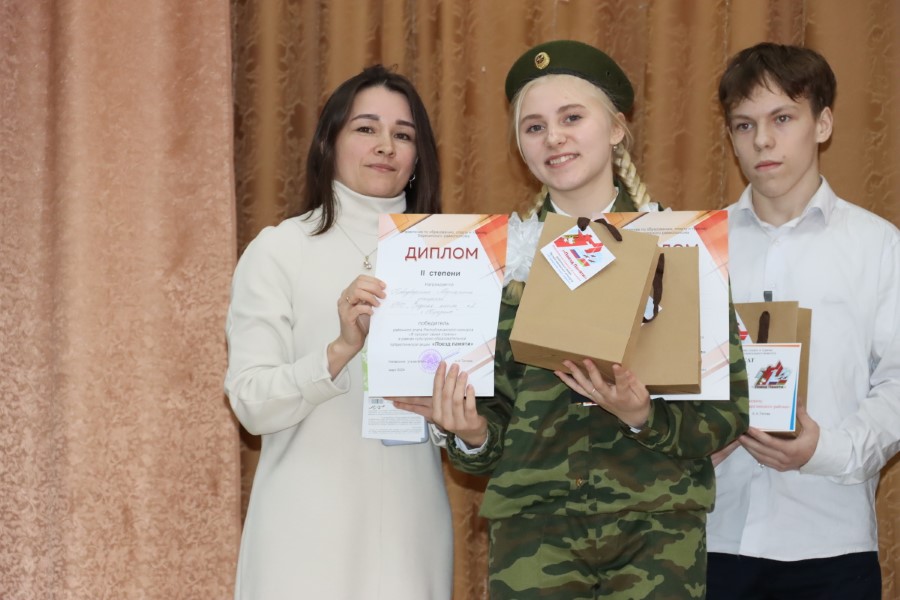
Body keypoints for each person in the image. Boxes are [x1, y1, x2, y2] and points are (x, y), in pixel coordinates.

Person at [427, 40, 749, 600]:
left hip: (657, 528)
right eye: (534, 127)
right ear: (521, 146)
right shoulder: (493, 262)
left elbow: (728, 411)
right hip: (534, 535)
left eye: (572, 118)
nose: (553, 137)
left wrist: (644, 416)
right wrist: (472, 433)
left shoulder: (681, 248)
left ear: (617, 128)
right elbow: (490, 425)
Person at [224, 65, 452, 600]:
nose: (385, 146)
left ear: (418, 158)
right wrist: (340, 349)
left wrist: (453, 417)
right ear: (329, 142)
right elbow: (251, 402)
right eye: (366, 128)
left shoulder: (452, 255)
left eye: (403, 135)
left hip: (413, 528)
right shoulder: (280, 249)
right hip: (304, 531)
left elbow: (469, 412)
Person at [706, 42, 900, 600]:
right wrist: (693, 441)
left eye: (782, 119)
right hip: (712, 537)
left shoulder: (879, 246)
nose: (762, 141)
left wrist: (825, 450)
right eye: (744, 125)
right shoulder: (698, 246)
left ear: (824, 124)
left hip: (831, 542)